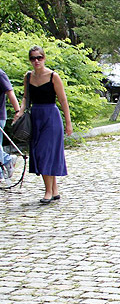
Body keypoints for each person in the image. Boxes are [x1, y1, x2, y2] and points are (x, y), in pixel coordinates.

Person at [13, 46, 72, 203]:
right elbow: (26, 98)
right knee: (42, 153)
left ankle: (48, 192)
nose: (36, 61)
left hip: (51, 117)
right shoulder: (28, 77)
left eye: (39, 57)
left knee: (45, 153)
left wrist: (68, 123)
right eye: (33, 58)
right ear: (30, 60)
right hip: (36, 116)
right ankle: (54, 190)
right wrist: (20, 111)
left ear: (44, 58)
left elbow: (63, 100)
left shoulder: (53, 76)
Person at [0, 68, 21, 179]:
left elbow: (10, 92)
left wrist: (17, 111)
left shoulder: (0, 74)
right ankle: (6, 162)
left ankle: (7, 160)